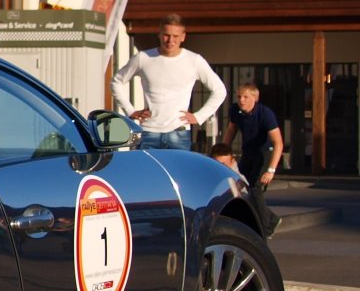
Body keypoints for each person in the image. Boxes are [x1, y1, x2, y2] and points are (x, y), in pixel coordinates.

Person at [110, 13, 226, 151]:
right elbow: (116, 82)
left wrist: (199, 116)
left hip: (179, 132)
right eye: (166, 35)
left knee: (179, 173)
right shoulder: (143, 58)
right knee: (147, 173)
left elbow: (219, 90)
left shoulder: (194, 61)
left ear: (183, 37)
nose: (170, 40)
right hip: (148, 132)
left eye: (175, 36)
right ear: (159, 35)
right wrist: (130, 111)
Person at [222, 82, 284, 237]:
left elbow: (278, 143)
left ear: (255, 98)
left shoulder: (265, 114)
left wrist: (271, 170)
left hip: (264, 153)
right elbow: (231, 130)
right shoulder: (236, 110)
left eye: (245, 97)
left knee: (256, 189)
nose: (241, 100)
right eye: (239, 97)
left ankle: (266, 229)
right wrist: (223, 152)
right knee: (243, 187)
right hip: (248, 152)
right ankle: (271, 219)